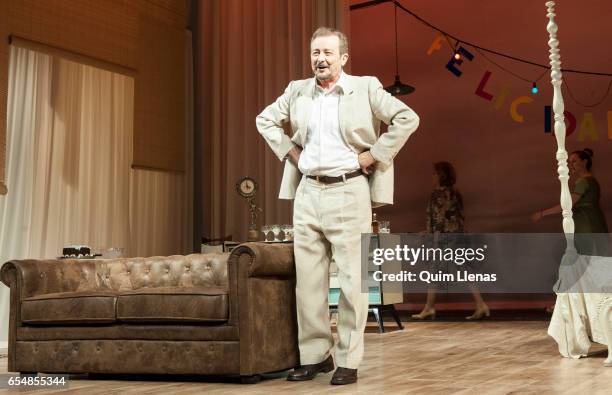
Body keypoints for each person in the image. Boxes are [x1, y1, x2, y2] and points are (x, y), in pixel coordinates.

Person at [256, 27, 419, 385]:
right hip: (308, 194)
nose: (320, 59)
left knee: (351, 283)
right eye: (316, 52)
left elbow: (407, 118)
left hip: (348, 191)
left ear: (343, 57)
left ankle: (348, 358)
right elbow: (264, 120)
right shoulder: (298, 91)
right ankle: (316, 356)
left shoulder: (365, 87)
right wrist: (290, 151)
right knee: (309, 283)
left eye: (328, 53)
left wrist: (374, 154)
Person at [411, 161, 490, 320]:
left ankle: (429, 308)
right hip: (456, 237)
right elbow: (460, 217)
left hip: (442, 239)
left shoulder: (436, 194)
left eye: (434, 173)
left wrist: (429, 236)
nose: (432, 176)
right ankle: (480, 305)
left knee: (435, 272)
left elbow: (436, 219)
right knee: (464, 271)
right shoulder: (456, 193)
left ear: (440, 175)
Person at [532, 148, 608, 253]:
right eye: (569, 162)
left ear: (584, 162)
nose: (570, 165)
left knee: (589, 260)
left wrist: (542, 213)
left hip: (587, 227)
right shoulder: (591, 180)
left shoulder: (583, 182)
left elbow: (567, 205)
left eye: (574, 161)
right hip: (592, 224)